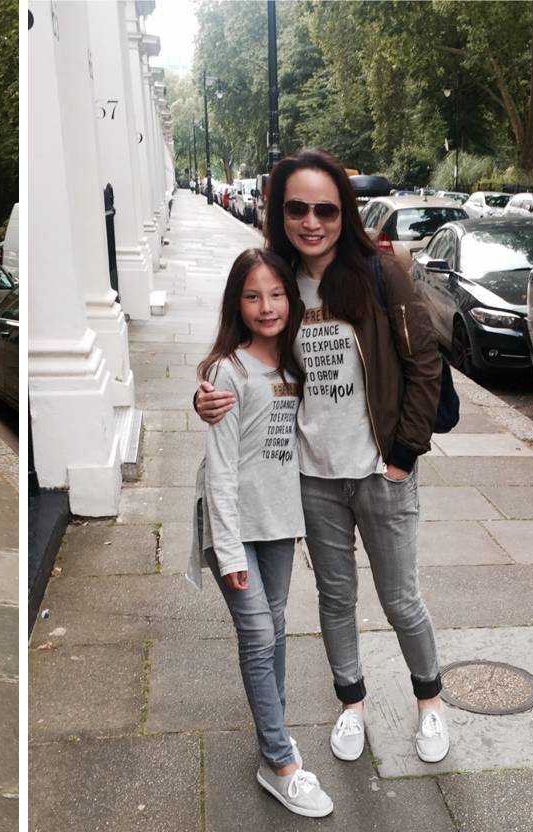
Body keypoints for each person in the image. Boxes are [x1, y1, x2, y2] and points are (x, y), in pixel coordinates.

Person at [195, 148, 449, 767]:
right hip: (311, 478)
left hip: (380, 472)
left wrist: (403, 456)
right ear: (280, 213)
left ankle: (430, 701)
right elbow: (242, 354)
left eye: (326, 210)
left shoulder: (381, 273)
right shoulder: (278, 282)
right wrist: (205, 394)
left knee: (400, 600)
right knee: (335, 600)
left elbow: (425, 366)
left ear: (345, 213)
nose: (312, 221)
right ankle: (351, 704)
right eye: (298, 208)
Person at [187, 248, 332, 818]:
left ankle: (275, 733)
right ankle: (279, 761)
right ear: (236, 303)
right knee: (257, 633)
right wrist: (227, 552)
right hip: (233, 526)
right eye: (252, 296)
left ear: (290, 300)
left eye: (275, 294)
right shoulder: (229, 372)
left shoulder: (295, 365)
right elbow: (220, 468)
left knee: (274, 631)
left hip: (277, 522)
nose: (266, 306)